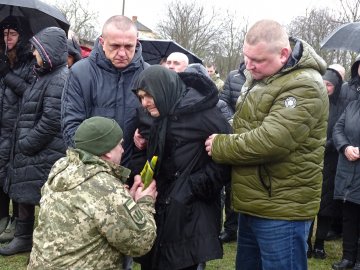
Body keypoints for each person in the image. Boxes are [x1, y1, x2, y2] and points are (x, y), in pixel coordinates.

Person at [205, 19, 329, 270]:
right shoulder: (263, 77)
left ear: (284, 54)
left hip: (283, 209)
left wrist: (220, 145)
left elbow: (271, 141)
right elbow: (244, 124)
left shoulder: (305, 84)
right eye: (246, 57)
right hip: (255, 202)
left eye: (257, 60)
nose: (248, 66)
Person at [132, 65, 231, 270]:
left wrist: (191, 188)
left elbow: (227, 159)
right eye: (140, 97)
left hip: (191, 214)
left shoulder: (205, 115)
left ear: (163, 89)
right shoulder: (160, 114)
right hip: (162, 208)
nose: (144, 103)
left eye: (148, 95)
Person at [27, 116, 157, 269]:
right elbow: (141, 242)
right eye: (120, 144)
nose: (123, 149)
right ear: (108, 151)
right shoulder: (106, 188)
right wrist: (145, 202)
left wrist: (124, 201)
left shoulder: (62, 167)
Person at [0, 26, 68, 256]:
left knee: (38, 195)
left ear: (48, 51)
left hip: (41, 148)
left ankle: (32, 239)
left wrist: (27, 142)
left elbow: (51, 120)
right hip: (32, 147)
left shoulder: (58, 79)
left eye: (38, 50)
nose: (34, 54)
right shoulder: (44, 75)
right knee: (23, 193)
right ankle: (23, 238)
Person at [61, 15, 149, 169]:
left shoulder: (148, 75)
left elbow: (160, 124)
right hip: (91, 172)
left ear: (137, 42)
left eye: (128, 46)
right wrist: (100, 169)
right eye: (115, 46)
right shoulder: (80, 73)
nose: (122, 53)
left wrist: (148, 136)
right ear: (102, 42)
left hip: (135, 173)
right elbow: (71, 127)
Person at [307, 64, 352, 260]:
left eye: (329, 85)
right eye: (322, 83)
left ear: (336, 86)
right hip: (311, 159)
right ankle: (306, 243)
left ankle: (319, 244)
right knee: (308, 205)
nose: (325, 88)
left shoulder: (342, 105)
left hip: (332, 160)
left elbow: (342, 129)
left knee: (325, 207)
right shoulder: (312, 101)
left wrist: (331, 143)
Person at [0, 16, 35, 244]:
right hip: (2, 125)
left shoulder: (29, 61)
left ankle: (16, 221)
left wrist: (7, 74)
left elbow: (29, 92)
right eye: (4, 33)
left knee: (14, 176)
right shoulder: (1, 57)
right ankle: (3, 218)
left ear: (21, 36)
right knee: (0, 172)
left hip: (18, 126)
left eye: (12, 33)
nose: (8, 38)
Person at [331, 63, 360, 270]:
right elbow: (338, 128)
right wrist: (345, 146)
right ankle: (348, 258)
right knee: (349, 216)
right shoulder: (352, 106)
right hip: (349, 170)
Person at [217, 61, 246, 244]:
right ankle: (230, 228)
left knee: (241, 184)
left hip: (250, 135)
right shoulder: (234, 76)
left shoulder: (264, 77)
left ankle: (241, 227)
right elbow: (224, 99)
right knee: (229, 184)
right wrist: (230, 118)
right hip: (230, 132)